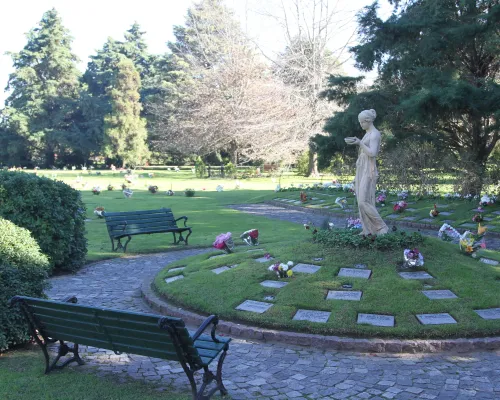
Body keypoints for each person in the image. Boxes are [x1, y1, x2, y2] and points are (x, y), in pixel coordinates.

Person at [345, 109, 388, 235]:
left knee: (364, 201)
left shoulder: (375, 134)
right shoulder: (367, 133)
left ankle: (381, 227)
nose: (361, 125)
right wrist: (358, 141)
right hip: (362, 169)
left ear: (368, 121)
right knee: (361, 201)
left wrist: (359, 143)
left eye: (362, 122)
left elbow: (373, 153)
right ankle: (367, 229)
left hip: (369, 170)